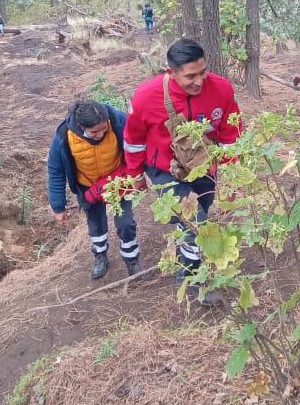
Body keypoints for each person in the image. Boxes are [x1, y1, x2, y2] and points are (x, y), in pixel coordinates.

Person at [123, 38, 241, 305]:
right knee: (194, 220)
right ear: (171, 73)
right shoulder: (146, 96)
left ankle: (186, 253)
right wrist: (135, 174)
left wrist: (232, 175)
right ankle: (191, 276)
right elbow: (133, 138)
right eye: (190, 76)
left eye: (203, 72)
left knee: (202, 213)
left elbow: (231, 135)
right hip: (164, 169)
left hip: (204, 166)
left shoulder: (221, 90)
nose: (199, 81)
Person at [47, 100, 148, 281]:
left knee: (125, 223)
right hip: (86, 185)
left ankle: (132, 260)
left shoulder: (118, 121)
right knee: (96, 224)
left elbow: (136, 144)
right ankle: (100, 257)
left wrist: (137, 175)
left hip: (118, 182)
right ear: (80, 126)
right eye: (94, 132)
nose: (101, 134)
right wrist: (58, 207)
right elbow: (56, 170)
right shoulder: (63, 137)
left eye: (104, 128)